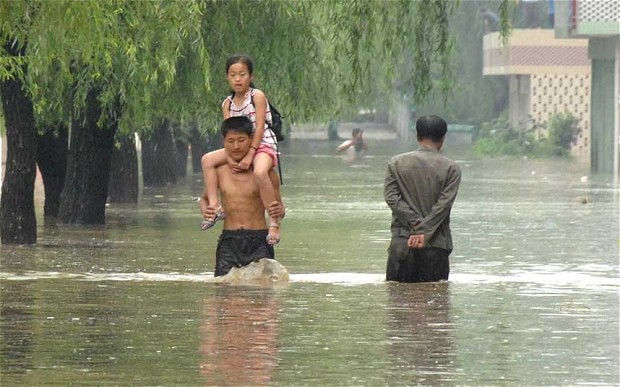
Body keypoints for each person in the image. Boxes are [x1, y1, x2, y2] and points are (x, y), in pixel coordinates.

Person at [201, 54, 281, 245]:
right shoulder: (227, 103)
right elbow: (229, 132)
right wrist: (230, 158)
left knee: (261, 171)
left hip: (262, 145)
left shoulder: (257, 96)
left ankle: (274, 224)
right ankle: (215, 207)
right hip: (238, 147)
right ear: (227, 77)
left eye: (242, 74)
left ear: (251, 76)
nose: (238, 79)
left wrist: (251, 154)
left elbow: (260, 127)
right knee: (207, 160)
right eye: (233, 75)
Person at [199, 116, 285, 276]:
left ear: (251, 139)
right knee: (224, 292)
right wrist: (206, 210)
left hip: (259, 239)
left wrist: (278, 212)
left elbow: (280, 209)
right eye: (230, 141)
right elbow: (204, 199)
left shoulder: (265, 174)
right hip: (229, 240)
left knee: (262, 294)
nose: (236, 146)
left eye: (241, 140)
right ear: (223, 142)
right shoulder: (219, 172)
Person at [383, 115, 461, 283]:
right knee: (435, 303)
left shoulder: (396, 163)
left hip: (402, 244)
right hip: (435, 247)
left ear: (418, 136)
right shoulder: (451, 168)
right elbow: (443, 205)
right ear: (442, 139)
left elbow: (391, 198)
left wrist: (415, 224)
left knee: (398, 304)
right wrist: (423, 230)